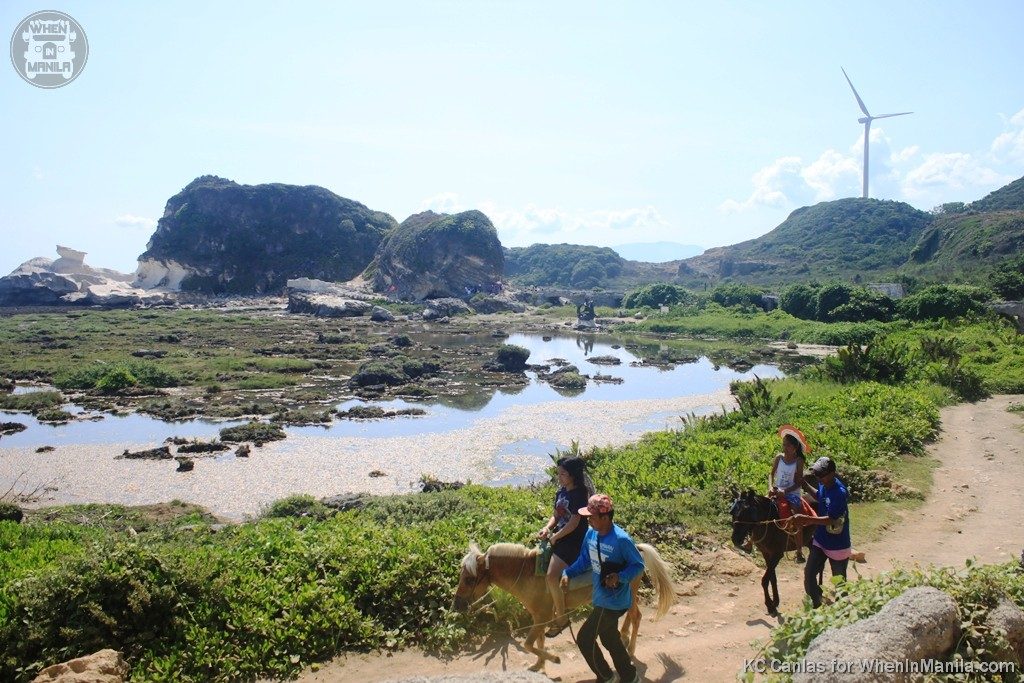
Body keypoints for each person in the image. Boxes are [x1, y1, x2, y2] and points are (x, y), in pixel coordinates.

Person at [560, 493, 644, 683]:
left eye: (592, 516)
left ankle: (606, 677)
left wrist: (620, 577)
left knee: (584, 639)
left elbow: (638, 565)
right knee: (609, 638)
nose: (588, 520)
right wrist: (567, 573)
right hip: (600, 597)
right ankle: (630, 676)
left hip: (616, 601)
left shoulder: (621, 540)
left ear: (605, 517)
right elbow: (584, 560)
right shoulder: (591, 534)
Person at [537, 457, 594, 636]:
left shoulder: (580, 494)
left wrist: (555, 538)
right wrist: (547, 528)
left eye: (563, 474)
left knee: (551, 577)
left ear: (573, 475)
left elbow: (574, 523)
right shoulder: (561, 492)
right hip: (559, 536)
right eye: (558, 473)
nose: (559, 477)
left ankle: (561, 618)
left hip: (573, 540)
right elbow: (557, 515)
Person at [799, 456, 853, 608]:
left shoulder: (839, 493)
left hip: (838, 545)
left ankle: (844, 612)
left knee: (840, 583)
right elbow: (819, 495)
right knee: (809, 574)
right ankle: (816, 605)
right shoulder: (825, 484)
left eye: (821, 475)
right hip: (821, 540)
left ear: (832, 473)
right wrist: (805, 484)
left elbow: (831, 519)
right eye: (816, 475)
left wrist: (806, 518)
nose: (819, 478)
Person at [769, 425, 817, 562]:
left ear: (794, 447)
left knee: (796, 516)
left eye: (787, 446)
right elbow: (771, 474)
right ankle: (751, 542)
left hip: (792, 493)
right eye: (783, 445)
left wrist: (785, 492)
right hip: (777, 490)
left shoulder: (799, 461)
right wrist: (771, 487)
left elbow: (798, 483)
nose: (784, 448)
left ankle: (799, 551)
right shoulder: (779, 458)